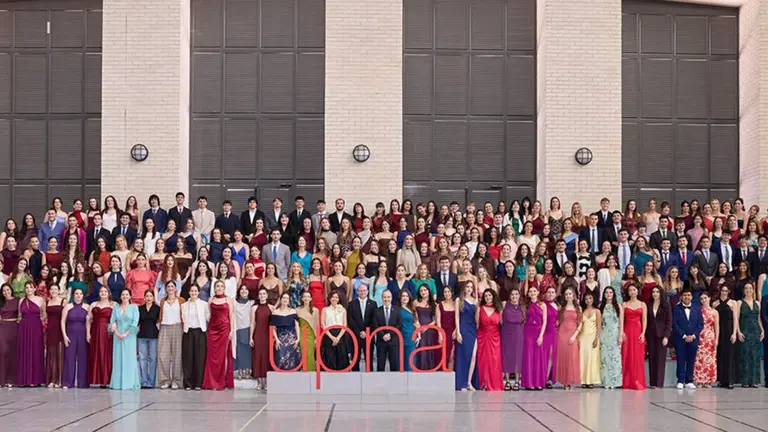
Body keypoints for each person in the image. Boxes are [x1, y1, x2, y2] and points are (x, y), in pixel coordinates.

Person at [203, 280, 235, 390]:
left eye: (221, 286)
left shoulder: (229, 299)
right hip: (212, 329)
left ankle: (222, 381)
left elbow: (232, 316)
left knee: (222, 356)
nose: (219, 288)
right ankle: (211, 382)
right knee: (212, 356)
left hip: (224, 329)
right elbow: (209, 315)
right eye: (218, 286)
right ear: (215, 288)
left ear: (224, 288)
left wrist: (231, 330)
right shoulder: (211, 299)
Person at [108, 288, 140, 389]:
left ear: (130, 296)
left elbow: (135, 322)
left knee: (129, 359)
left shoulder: (134, 307)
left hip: (130, 336)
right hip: (117, 337)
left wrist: (125, 334)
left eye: (127, 294)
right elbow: (112, 322)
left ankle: (130, 383)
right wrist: (117, 333)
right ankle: (117, 383)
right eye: (123, 294)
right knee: (118, 359)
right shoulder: (116, 308)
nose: (125, 296)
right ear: (120, 296)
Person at [672, 289, 703, 389]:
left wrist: (693, 335)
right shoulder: (676, 309)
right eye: (684, 295)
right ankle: (680, 380)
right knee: (680, 359)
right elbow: (675, 324)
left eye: (689, 295)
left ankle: (689, 380)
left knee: (691, 359)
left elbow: (700, 324)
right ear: (681, 297)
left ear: (692, 297)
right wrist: (684, 336)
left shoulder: (697, 308)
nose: (687, 297)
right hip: (680, 338)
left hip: (693, 338)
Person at [157, 281, 185, 390]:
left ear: (176, 288)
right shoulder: (162, 301)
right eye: (168, 286)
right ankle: (164, 380)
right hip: (164, 327)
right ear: (165, 289)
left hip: (177, 327)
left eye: (172, 286)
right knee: (163, 355)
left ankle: (176, 381)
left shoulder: (181, 300)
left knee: (178, 355)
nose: (170, 288)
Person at [181, 284, 209, 391]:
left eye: (195, 291)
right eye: (191, 291)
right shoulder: (184, 305)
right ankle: (188, 383)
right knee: (188, 358)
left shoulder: (204, 304)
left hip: (200, 332)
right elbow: (184, 319)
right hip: (188, 332)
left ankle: (198, 383)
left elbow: (208, 317)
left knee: (200, 358)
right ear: (189, 292)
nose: (193, 293)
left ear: (198, 292)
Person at [61, 286, 88, 389]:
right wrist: (64, 335)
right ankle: (68, 382)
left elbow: (89, 322)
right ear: (73, 295)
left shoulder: (87, 307)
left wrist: (88, 335)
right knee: (69, 358)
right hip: (70, 334)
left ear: (83, 296)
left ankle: (83, 383)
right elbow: (63, 321)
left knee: (83, 358)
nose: (78, 296)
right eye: (76, 293)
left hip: (82, 335)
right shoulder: (67, 306)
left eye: (80, 294)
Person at [738, 282, 764, 387]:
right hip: (745, 330)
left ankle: (754, 381)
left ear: (753, 290)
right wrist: (738, 331)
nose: (748, 290)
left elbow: (759, 318)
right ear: (744, 290)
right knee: (745, 356)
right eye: (746, 288)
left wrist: (762, 330)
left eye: (750, 288)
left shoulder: (757, 303)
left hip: (755, 331)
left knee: (755, 356)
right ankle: (745, 381)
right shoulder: (739, 303)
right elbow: (737, 319)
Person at [476, 289, 503, 391]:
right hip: (482, 337)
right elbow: (477, 325)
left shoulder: (499, 309)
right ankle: (483, 383)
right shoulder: (480, 308)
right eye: (486, 296)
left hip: (495, 338)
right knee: (482, 360)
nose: (488, 297)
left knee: (494, 360)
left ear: (493, 296)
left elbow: (502, 324)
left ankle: (494, 383)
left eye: (490, 295)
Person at [621, 283, 647, 390]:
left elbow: (644, 319)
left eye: (634, 289)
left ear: (637, 291)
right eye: (630, 290)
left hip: (638, 331)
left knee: (638, 357)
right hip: (627, 330)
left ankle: (637, 380)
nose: (632, 292)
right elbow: (622, 319)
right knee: (627, 355)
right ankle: (627, 382)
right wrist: (622, 332)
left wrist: (643, 333)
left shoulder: (642, 304)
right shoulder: (624, 304)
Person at [555, 287, 581, 390]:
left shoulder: (578, 308)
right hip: (562, 335)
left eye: (570, 294)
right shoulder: (561, 308)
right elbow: (558, 322)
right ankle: (565, 382)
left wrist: (574, 336)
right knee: (564, 357)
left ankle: (570, 381)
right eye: (566, 294)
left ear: (573, 295)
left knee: (572, 357)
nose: (568, 296)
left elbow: (580, 324)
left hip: (572, 334)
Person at [454, 281, 479, 391]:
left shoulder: (476, 301)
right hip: (463, 329)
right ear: (464, 288)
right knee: (463, 356)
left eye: (471, 287)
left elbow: (477, 319)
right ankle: (462, 383)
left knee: (473, 356)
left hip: (473, 329)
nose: (469, 289)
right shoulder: (459, 300)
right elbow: (457, 317)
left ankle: (469, 381)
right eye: (467, 287)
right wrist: (458, 331)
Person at [87, 285, 113, 387]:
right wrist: (88, 333)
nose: (103, 293)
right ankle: (95, 378)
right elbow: (89, 320)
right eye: (101, 291)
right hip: (95, 331)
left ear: (108, 293)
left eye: (105, 291)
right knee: (95, 353)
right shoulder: (93, 304)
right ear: (99, 293)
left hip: (107, 332)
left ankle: (106, 380)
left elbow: (115, 320)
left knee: (106, 355)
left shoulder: (113, 305)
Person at [646, 286, 671, 388]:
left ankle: (659, 383)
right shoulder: (648, 305)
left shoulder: (666, 305)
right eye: (653, 292)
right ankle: (652, 383)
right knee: (652, 358)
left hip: (662, 335)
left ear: (660, 293)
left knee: (660, 359)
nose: (655, 293)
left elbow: (669, 322)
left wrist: (666, 336)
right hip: (651, 334)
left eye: (657, 292)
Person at [713, 285, 738, 388]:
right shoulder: (715, 303)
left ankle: (730, 380)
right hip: (719, 331)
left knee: (730, 355)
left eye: (726, 291)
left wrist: (734, 333)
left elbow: (736, 319)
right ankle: (721, 380)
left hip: (729, 330)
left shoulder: (733, 303)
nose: (724, 292)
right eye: (722, 290)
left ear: (729, 291)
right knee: (720, 355)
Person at [348, 282, 377, 371]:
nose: (362, 292)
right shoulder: (352, 304)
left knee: (369, 358)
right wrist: (359, 332)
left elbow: (374, 319)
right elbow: (350, 319)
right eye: (360, 290)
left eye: (364, 290)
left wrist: (366, 331)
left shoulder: (373, 304)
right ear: (357, 292)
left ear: (367, 291)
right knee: (355, 358)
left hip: (368, 335)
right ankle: (355, 378)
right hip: (355, 335)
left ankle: (369, 378)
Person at [692, 292, 718, 387]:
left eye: (705, 298)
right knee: (699, 358)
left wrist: (716, 339)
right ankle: (699, 380)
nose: (704, 300)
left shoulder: (714, 312)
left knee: (710, 359)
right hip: (700, 336)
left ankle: (708, 380)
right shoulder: (698, 311)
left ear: (709, 298)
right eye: (702, 299)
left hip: (710, 336)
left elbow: (716, 326)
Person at [321, 291, 350, 371]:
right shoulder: (325, 309)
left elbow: (344, 324)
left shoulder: (343, 310)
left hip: (340, 334)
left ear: (339, 299)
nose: (334, 299)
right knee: (329, 357)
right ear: (330, 298)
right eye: (333, 297)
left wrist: (338, 337)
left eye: (336, 297)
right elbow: (323, 324)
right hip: (328, 334)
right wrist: (332, 337)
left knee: (341, 356)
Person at [271, 292, 301, 370]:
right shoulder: (275, 312)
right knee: (280, 359)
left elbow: (297, 326)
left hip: (292, 339)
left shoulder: (293, 311)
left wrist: (298, 339)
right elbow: (273, 328)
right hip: (280, 339)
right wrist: (276, 340)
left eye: (287, 298)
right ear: (280, 300)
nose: (285, 300)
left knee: (293, 360)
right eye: (284, 298)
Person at [44, 283, 66, 387]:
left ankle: (59, 380)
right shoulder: (47, 302)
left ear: (59, 290)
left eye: (55, 289)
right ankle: (51, 379)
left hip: (60, 329)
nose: (53, 291)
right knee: (51, 353)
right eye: (51, 289)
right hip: (50, 329)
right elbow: (43, 315)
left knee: (60, 353)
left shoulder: (63, 301)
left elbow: (66, 317)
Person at [251, 288, 273, 389]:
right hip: (258, 334)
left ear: (267, 296)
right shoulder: (254, 308)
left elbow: (273, 324)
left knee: (267, 357)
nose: (262, 295)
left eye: (264, 294)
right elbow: (252, 323)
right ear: (258, 296)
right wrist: (251, 337)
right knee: (258, 356)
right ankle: (259, 382)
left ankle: (267, 381)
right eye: (260, 294)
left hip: (268, 334)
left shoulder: (271, 308)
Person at [137, 289, 160, 389]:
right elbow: (137, 322)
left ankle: (151, 382)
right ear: (144, 297)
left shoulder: (157, 308)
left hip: (154, 336)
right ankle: (144, 381)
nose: (149, 298)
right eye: (147, 296)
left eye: (151, 296)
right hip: (142, 335)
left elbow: (159, 321)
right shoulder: (140, 308)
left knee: (153, 359)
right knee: (142, 359)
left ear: (153, 298)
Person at [579, 292, 601, 388]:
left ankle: (590, 380)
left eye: (590, 298)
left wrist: (596, 338)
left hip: (592, 338)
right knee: (583, 359)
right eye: (586, 299)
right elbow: (579, 325)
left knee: (592, 359)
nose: (588, 300)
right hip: (583, 338)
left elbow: (599, 326)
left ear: (593, 299)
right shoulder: (582, 311)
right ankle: (583, 380)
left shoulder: (597, 311)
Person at [0, 284, 18, 387]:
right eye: (4, 291)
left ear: (11, 290)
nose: (6, 292)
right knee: (3, 351)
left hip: (14, 327)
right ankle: (2, 379)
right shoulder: (1, 302)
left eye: (8, 290)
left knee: (13, 352)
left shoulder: (17, 300)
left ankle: (11, 380)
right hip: (3, 327)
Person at [234, 286, 254, 379]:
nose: (244, 291)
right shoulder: (234, 303)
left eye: (246, 289)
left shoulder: (252, 303)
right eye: (242, 289)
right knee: (239, 350)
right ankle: (240, 370)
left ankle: (247, 369)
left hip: (248, 328)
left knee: (247, 350)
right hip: (238, 328)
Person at [297, 291, 319, 371]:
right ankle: (303, 371)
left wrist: (317, 338)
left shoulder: (315, 310)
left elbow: (317, 325)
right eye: (304, 296)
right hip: (301, 334)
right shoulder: (297, 310)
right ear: (302, 298)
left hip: (311, 335)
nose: (306, 298)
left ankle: (311, 373)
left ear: (311, 299)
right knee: (302, 353)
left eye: (308, 296)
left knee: (310, 354)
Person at [436, 286, 456, 371]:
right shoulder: (439, 305)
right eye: (445, 292)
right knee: (442, 356)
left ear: (452, 293)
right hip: (443, 332)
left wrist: (455, 331)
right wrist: (440, 334)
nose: (447, 294)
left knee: (452, 356)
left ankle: (450, 378)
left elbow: (458, 319)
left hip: (452, 333)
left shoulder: (456, 304)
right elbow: (438, 321)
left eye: (448, 291)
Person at [542, 286, 559, 387]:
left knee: (552, 356)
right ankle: (542, 377)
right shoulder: (543, 305)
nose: (551, 294)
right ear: (546, 294)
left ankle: (547, 378)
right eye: (549, 292)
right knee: (544, 355)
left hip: (554, 332)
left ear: (555, 294)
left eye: (553, 292)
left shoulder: (557, 306)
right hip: (545, 332)